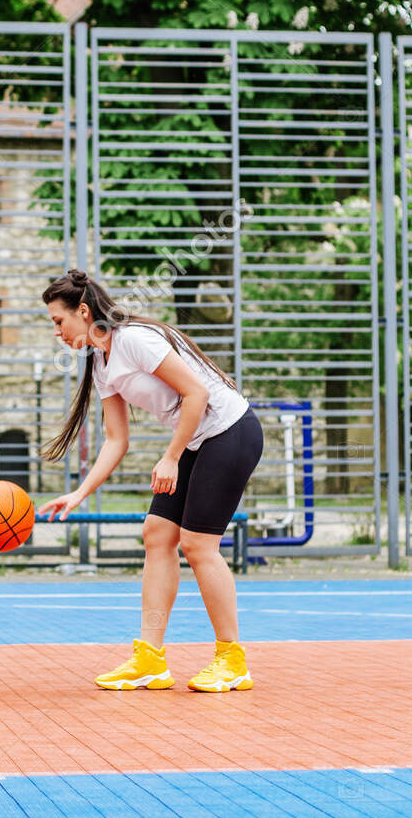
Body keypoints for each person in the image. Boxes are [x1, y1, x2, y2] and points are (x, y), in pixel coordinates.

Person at [37, 269, 263, 692]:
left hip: (232, 431)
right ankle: (150, 659)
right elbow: (116, 439)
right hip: (199, 440)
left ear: (83, 312)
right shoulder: (102, 362)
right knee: (158, 534)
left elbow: (197, 394)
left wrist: (171, 456)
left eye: (58, 321)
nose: (57, 331)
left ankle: (232, 660)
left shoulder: (135, 340)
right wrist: (81, 492)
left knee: (198, 544)